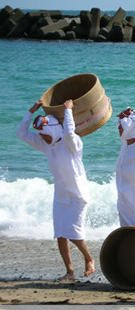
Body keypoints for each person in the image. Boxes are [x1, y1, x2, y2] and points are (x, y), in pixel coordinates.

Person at [17, 99, 95, 281]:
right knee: (60, 234)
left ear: (52, 129)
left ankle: (89, 259)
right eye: (42, 135)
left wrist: (68, 110)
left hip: (78, 194)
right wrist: (31, 111)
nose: (42, 138)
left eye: (44, 134)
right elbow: (21, 133)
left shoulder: (72, 144)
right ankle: (69, 272)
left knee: (73, 233)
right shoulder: (47, 144)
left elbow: (69, 131)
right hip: (60, 194)